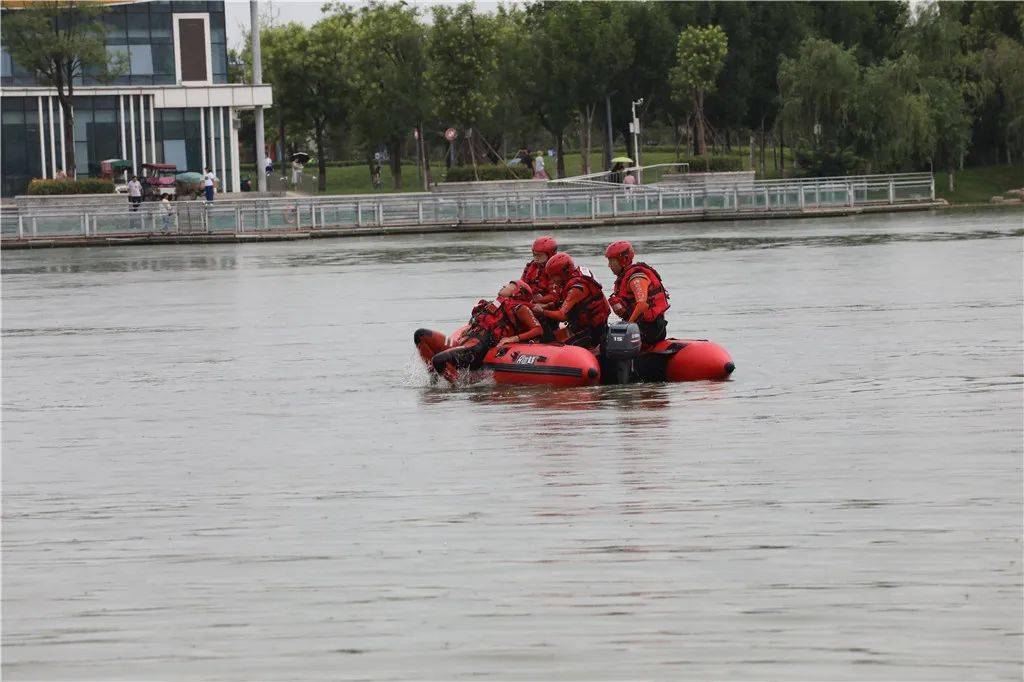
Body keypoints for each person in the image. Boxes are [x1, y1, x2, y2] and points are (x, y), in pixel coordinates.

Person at [416, 280, 541, 383]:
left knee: (439, 360)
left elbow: (537, 330)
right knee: (420, 334)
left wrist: (512, 339)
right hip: (464, 343)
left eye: (510, 285)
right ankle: (434, 378)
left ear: (517, 293)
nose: (504, 285)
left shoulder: (519, 308)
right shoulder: (491, 305)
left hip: (478, 349)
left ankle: (457, 386)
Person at [533, 252, 610, 353]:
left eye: (554, 276)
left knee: (561, 349)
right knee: (548, 340)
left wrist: (543, 311)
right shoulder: (573, 278)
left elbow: (562, 315)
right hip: (582, 326)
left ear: (563, 273)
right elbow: (563, 303)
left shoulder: (576, 288)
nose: (552, 280)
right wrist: (548, 305)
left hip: (592, 331)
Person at [606, 241, 671, 346]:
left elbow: (642, 304)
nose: (609, 265)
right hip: (639, 327)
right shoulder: (625, 277)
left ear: (624, 260)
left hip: (650, 329)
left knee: (609, 345)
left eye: (612, 261)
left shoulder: (636, 278)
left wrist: (627, 327)